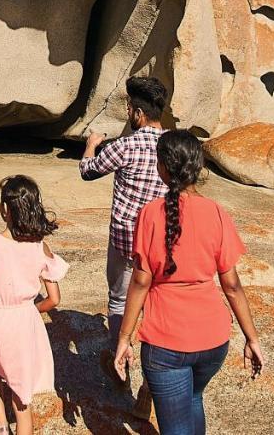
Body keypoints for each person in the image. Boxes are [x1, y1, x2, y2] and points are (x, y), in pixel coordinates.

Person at [112, 130, 265, 435]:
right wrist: (252, 338)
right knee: (194, 399)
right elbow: (232, 285)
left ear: (164, 167)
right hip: (213, 340)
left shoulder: (150, 214)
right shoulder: (217, 212)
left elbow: (141, 283)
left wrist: (123, 339)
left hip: (166, 341)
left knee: (176, 426)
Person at [0, 175, 69, 435]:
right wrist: (33, 309)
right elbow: (54, 299)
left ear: (4, 210)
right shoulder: (40, 247)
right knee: (22, 401)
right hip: (23, 323)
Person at [78, 75, 169, 382]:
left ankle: (122, 366)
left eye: (130, 108)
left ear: (138, 113)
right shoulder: (173, 147)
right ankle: (153, 378)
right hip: (161, 244)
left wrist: (92, 145)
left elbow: (88, 172)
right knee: (155, 307)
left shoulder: (126, 146)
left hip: (125, 242)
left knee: (119, 300)